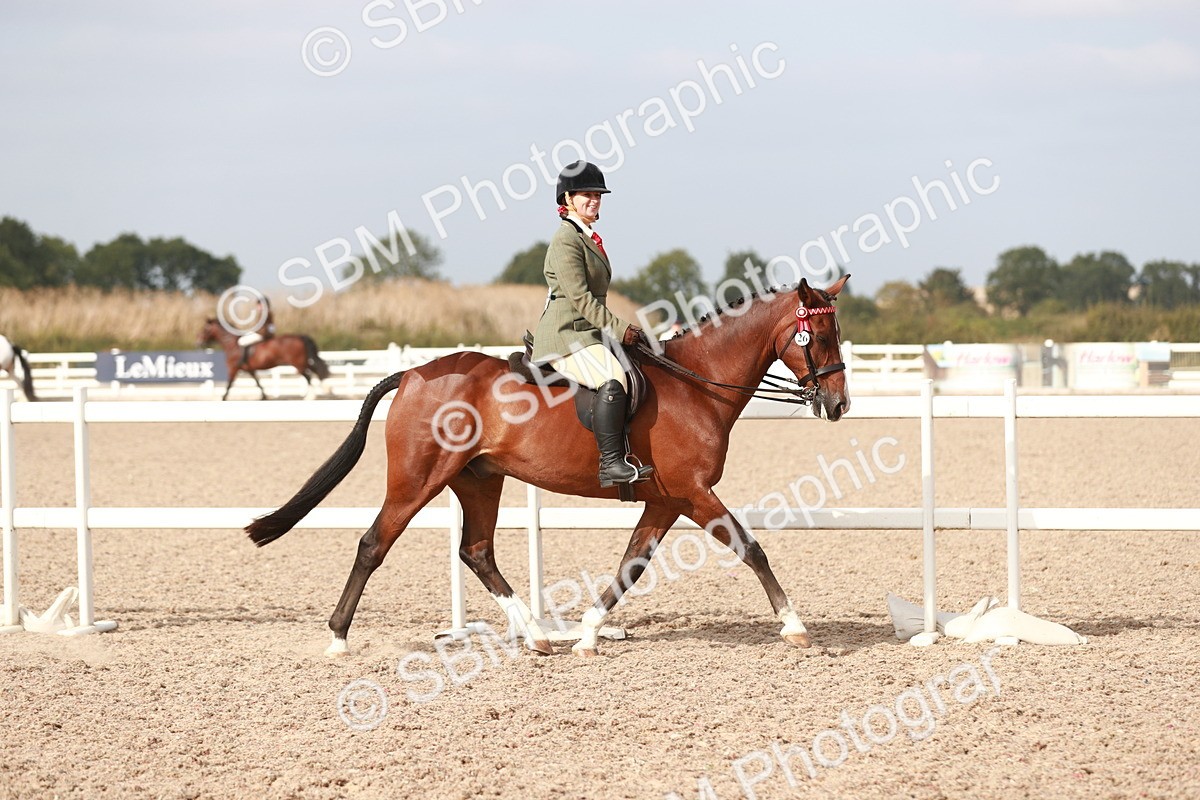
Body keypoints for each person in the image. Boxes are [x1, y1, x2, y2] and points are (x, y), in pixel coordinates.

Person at [532, 161, 654, 488]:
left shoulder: (587, 237)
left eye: (598, 195)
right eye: (586, 194)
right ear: (568, 199)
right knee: (613, 379)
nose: (594, 200)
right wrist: (621, 330)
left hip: (588, 332)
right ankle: (611, 464)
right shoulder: (566, 240)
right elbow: (581, 299)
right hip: (566, 335)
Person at [237, 297, 275, 365]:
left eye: (259, 305)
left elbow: (263, 327)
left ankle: (243, 360)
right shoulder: (268, 313)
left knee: (242, 341)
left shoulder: (264, 313)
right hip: (263, 333)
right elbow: (271, 327)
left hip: (261, 334)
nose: (258, 307)